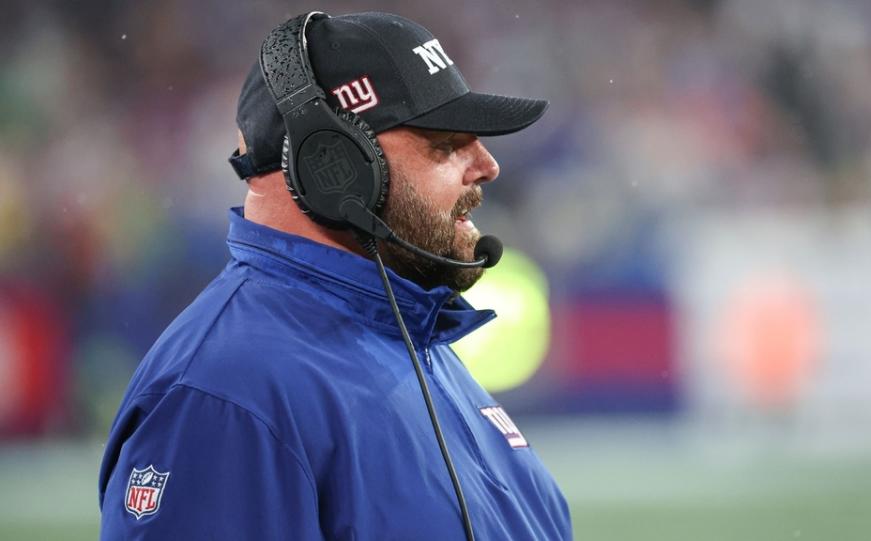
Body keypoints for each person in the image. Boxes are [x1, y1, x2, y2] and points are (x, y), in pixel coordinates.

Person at [98, 10, 571, 540]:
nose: (487, 165)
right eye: (445, 144)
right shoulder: (227, 394)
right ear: (335, 166)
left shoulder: (412, 340)